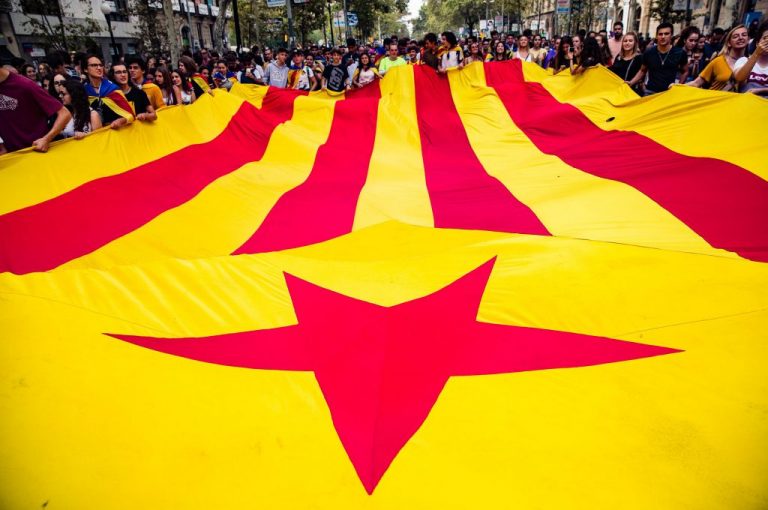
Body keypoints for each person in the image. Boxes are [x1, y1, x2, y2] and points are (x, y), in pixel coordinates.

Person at [0, 62, 71, 152]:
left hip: (37, 152)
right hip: (11, 157)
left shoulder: (25, 85)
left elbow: (64, 114)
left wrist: (46, 139)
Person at [628, 22, 689, 94]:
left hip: (669, 92)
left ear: (671, 35)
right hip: (650, 92)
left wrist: (679, 86)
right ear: (657, 36)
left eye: (666, 34)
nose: (663, 36)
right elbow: (642, 70)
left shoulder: (680, 52)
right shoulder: (649, 52)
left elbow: (685, 71)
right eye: (660, 34)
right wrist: (631, 82)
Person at [687, 24, 749, 91]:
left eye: (744, 35)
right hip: (715, 100)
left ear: (748, 39)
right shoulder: (719, 61)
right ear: (729, 43)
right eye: (735, 36)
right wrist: (677, 86)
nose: (740, 38)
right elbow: (696, 83)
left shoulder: (751, 64)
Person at [82, 54, 134, 129]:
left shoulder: (113, 88)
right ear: (85, 69)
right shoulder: (83, 90)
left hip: (115, 133)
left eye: (100, 65)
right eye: (94, 65)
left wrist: (121, 121)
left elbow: (130, 114)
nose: (99, 68)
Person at [734, 20, 768, 95]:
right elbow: (739, 78)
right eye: (765, 38)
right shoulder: (743, 60)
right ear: (757, 43)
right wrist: (757, 53)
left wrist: (761, 90)